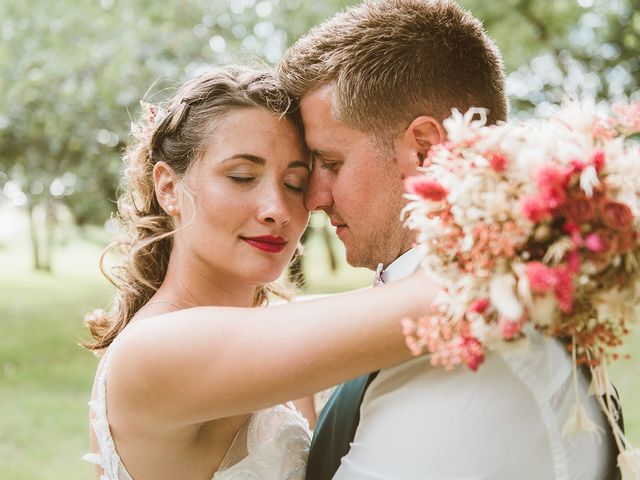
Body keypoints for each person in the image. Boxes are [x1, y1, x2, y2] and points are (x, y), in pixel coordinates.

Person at [278, 0, 620, 478]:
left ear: (426, 149)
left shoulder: (474, 353)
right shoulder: (435, 303)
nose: (313, 198)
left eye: (331, 163)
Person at [81, 66, 439, 480]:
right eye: (242, 177)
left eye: (293, 183)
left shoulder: (275, 334)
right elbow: (427, 301)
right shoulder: (153, 352)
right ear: (168, 187)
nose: (277, 210)